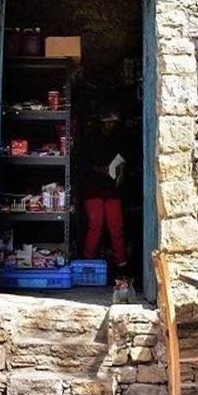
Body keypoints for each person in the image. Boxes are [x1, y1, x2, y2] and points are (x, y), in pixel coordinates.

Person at [81, 109, 128, 273]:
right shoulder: (90, 139)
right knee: (96, 226)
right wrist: (100, 169)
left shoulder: (118, 139)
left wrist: (121, 172)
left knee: (117, 227)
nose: (111, 125)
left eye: (113, 122)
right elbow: (83, 163)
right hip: (93, 188)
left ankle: (121, 264)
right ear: (101, 123)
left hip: (112, 189)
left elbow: (124, 160)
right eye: (108, 122)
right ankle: (87, 263)